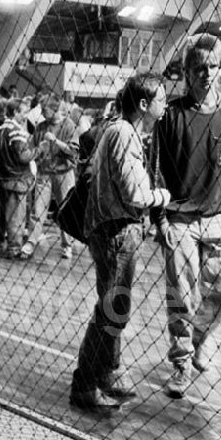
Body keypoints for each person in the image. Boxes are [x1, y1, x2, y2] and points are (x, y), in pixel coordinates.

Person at [154, 33, 221, 399]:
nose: (207, 73)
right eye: (199, 67)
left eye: (213, 66)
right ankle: (181, 362)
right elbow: (156, 169)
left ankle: (197, 338)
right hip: (179, 217)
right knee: (181, 295)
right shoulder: (170, 115)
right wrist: (159, 218)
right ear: (185, 70)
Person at [70, 72, 171, 411]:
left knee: (112, 309)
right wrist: (163, 196)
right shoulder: (124, 133)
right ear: (144, 104)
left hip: (111, 231)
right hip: (116, 232)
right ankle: (85, 385)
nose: (166, 104)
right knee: (112, 313)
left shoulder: (118, 130)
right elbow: (136, 193)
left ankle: (105, 374)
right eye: (162, 99)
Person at [22, 92, 79, 260]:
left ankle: (67, 245)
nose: (41, 113)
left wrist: (55, 141)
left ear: (55, 110)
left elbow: (73, 151)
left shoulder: (69, 126)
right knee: (38, 209)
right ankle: (31, 243)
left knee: (65, 210)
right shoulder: (41, 127)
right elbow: (31, 146)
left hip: (64, 173)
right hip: (45, 172)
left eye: (44, 109)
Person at [0, 97, 37, 258]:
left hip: (3, 179)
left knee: (1, 215)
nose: (26, 116)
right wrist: (39, 150)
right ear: (16, 112)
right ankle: (14, 247)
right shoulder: (16, 131)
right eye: (24, 112)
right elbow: (23, 156)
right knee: (16, 217)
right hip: (18, 179)